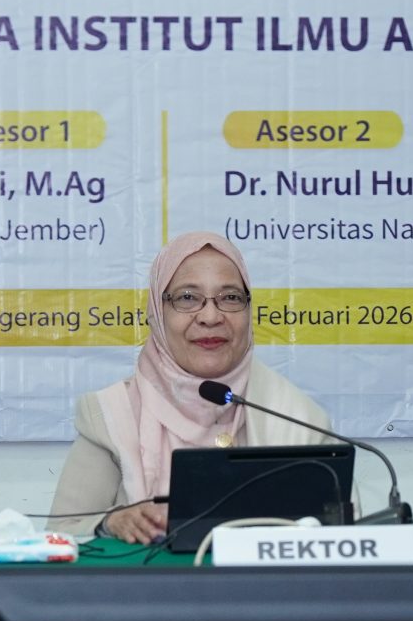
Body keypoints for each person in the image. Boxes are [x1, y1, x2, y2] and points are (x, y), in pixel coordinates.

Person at [50, 232, 334, 543]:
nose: (210, 317)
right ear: (158, 312)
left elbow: (341, 535)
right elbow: (61, 533)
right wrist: (111, 523)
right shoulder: (112, 415)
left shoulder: (299, 419)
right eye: (187, 297)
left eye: (230, 298)